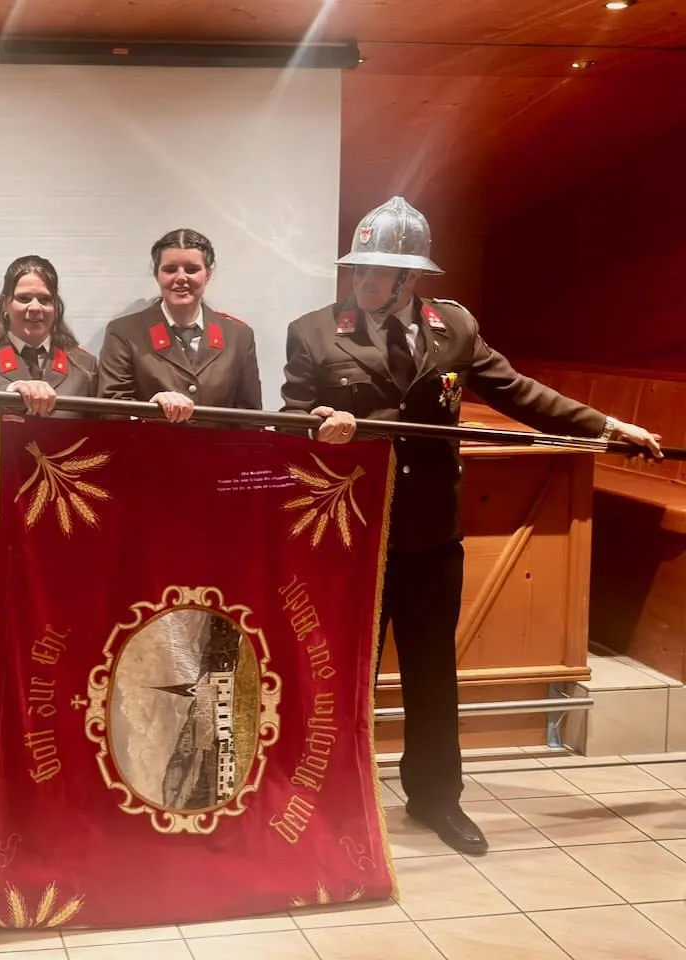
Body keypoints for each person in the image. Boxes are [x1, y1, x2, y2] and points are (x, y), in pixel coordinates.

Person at [281, 195, 661, 855]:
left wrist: (605, 426)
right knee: (343, 674)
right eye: (359, 268)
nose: (364, 280)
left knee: (433, 671)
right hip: (354, 534)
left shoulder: (453, 328)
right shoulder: (314, 331)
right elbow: (291, 417)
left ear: (410, 278)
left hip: (431, 531)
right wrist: (318, 427)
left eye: (379, 272)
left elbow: (517, 391)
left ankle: (436, 798)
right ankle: (332, 801)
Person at [0, 255, 98, 849]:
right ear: (5, 304)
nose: (34, 308)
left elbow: (104, 439)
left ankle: (54, 801)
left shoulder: (83, 365)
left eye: (44, 299)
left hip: (63, 541)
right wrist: (8, 394)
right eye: (24, 297)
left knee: (60, 674)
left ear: (57, 307)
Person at [97, 228, 262, 420]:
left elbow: (249, 417)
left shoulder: (238, 336)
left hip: (217, 441)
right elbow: (111, 412)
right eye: (170, 270)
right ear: (156, 274)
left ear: (208, 274)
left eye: (192, 270)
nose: (181, 278)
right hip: (148, 439)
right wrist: (150, 409)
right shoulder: (124, 332)